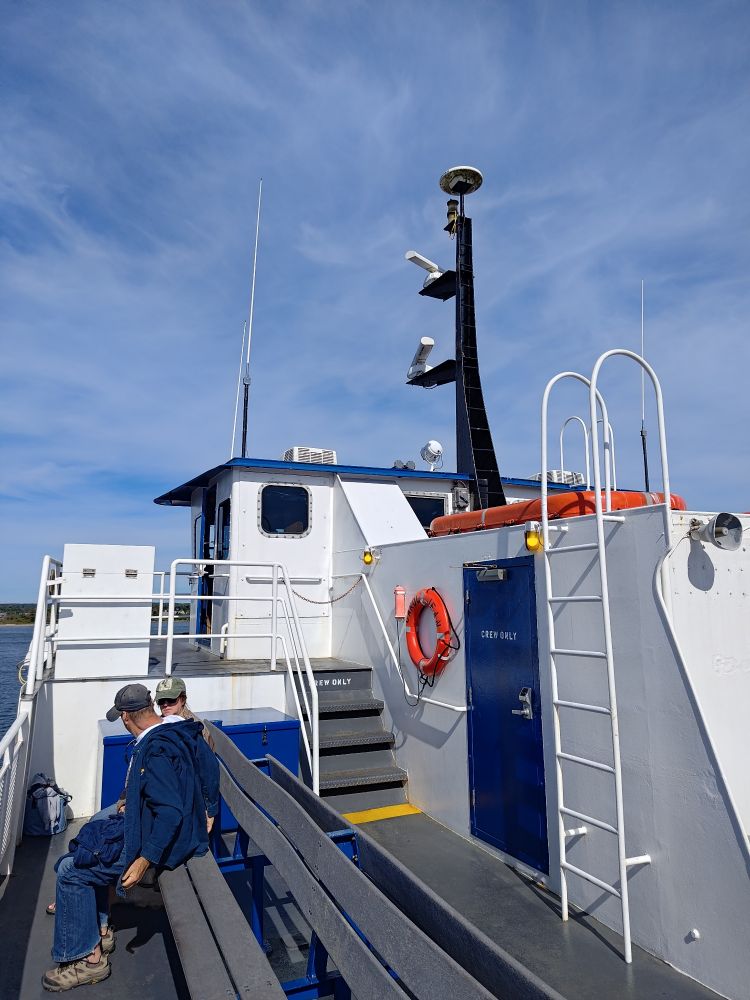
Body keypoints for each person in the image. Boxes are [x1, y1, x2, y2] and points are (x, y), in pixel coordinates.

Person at [42, 684, 211, 992]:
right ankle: (101, 932)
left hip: (163, 845)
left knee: (70, 871)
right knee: (87, 847)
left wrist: (145, 859)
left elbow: (170, 812)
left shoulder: (155, 750)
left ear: (126, 717)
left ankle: (88, 961)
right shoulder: (174, 731)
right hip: (173, 835)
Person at [155, 676, 219, 833]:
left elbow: (207, 771)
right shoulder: (157, 725)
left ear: (182, 699)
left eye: (171, 700)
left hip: (188, 799)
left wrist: (209, 809)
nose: (165, 704)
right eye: (161, 700)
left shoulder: (195, 729)